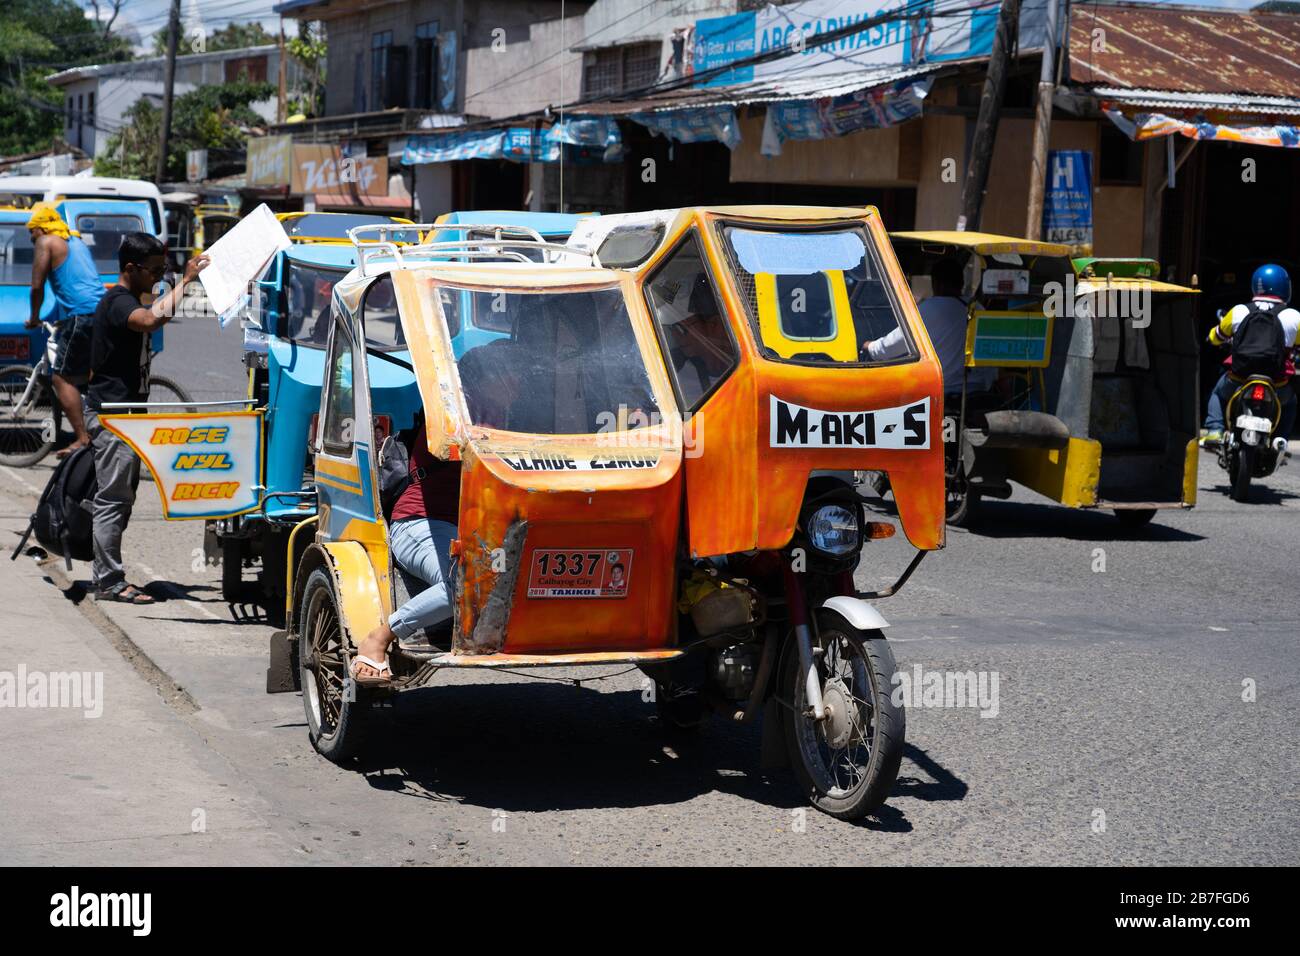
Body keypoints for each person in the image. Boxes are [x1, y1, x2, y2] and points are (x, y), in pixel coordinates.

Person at [86, 233, 209, 603]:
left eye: (164, 269)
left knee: (122, 498)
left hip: (128, 414)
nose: (160, 276)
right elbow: (150, 321)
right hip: (112, 415)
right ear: (130, 269)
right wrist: (185, 281)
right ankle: (108, 582)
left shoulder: (133, 294)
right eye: (155, 270)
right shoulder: (117, 302)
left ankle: (107, 573)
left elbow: (154, 309)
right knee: (112, 500)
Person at [352, 423, 461, 684]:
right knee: (461, 584)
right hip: (420, 522)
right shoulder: (451, 414)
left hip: (476, 525)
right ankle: (380, 636)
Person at [24, 204, 106, 455]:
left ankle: (82, 438)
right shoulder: (76, 241)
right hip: (103, 311)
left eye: (32, 233)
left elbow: (37, 286)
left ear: (40, 228)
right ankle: (103, 429)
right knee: (92, 376)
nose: (31, 238)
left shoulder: (46, 241)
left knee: (60, 377)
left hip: (81, 316)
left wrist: (35, 317)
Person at [863, 257, 992, 399]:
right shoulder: (977, 309)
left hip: (941, 392)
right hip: (977, 391)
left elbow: (889, 348)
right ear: (961, 283)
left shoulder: (929, 309)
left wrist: (869, 347)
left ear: (936, 284)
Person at [1201, 264, 1300, 448]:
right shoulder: (1293, 316)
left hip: (1239, 378)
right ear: (1286, 288)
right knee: (1291, 402)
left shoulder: (1240, 311)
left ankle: (1215, 430)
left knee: (1217, 393)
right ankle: (1282, 440)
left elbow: (1217, 336)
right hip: (1276, 382)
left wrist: (1211, 338)